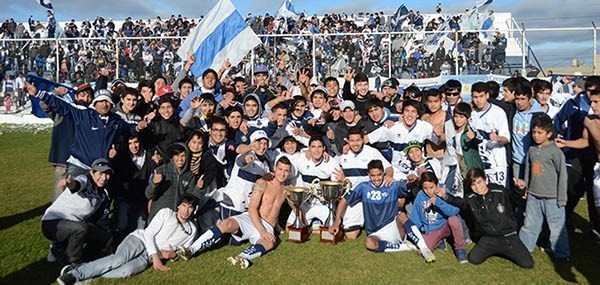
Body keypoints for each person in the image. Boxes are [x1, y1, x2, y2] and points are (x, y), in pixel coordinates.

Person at [56, 195, 199, 285]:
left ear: (193, 210)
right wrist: (156, 258)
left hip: (148, 257)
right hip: (140, 240)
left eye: (190, 208)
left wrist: (173, 256)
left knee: (127, 271)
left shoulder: (192, 229)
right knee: (118, 260)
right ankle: (75, 275)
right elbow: (149, 234)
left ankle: (87, 273)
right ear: (179, 206)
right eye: (184, 206)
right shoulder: (167, 213)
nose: (186, 211)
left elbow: (184, 250)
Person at [179, 157, 293, 269]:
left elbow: (293, 207)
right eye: (280, 169)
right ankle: (191, 249)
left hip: (268, 225)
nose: (282, 174)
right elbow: (252, 208)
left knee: (270, 244)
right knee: (226, 223)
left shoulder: (287, 189)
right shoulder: (263, 182)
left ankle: (242, 257)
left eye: (286, 170)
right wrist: (262, 231)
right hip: (251, 218)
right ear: (275, 168)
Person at [331, 160, 436, 261]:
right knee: (369, 243)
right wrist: (336, 222)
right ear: (368, 175)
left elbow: (408, 184)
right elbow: (344, 201)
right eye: (373, 175)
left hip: (394, 227)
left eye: (379, 175)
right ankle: (404, 247)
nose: (376, 178)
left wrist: (413, 179)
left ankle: (424, 248)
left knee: (402, 215)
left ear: (383, 174)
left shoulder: (392, 185)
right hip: (375, 233)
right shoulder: (363, 187)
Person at [439, 168, 534, 268]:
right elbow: (459, 202)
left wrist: (520, 189)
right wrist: (445, 196)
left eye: (479, 182)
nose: (477, 187)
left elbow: (515, 198)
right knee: (474, 259)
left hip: (508, 236)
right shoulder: (471, 198)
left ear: (485, 180)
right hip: (489, 238)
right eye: (473, 184)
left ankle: (505, 250)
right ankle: (496, 249)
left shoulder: (500, 191)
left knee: (528, 264)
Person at [515, 113, 570, 262]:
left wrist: (561, 198)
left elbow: (563, 176)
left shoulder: (555, 152)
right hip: (533, 194)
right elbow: (528, 170)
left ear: (549, 133)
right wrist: (525, 189)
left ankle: (562, 254)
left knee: (556, 227)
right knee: (530, 224)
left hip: (553, 197)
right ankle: (524, 249)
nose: (536, 136)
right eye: (534, 132)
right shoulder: (532, 150)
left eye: (540, 133)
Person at [41, 158, 114, 266]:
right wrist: (70, 183)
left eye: (107, 174)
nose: (104, 178)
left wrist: (107, 238)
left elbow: (99, 220)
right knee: (81, 229)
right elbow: (77, 184)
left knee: (104, 237)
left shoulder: (103, 194)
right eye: (100, 173)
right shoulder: (85, 179)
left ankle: (66, 251)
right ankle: (73, 263)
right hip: (53, 224)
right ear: (92, 172)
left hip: (73, 225)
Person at [553, 76, 600, 237]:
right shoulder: (585, 115)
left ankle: (595, 225)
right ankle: (568, 218)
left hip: (595, 159)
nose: (592, 104)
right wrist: (564, 143)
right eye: (588, 91)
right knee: (575, 190)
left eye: (596, 99)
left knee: (594, 197)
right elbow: (585, 141)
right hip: (580, 159)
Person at [339, 127, 394, 239]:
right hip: (353, 198)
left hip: (371, 196)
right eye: (352, 141)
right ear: (347, 141)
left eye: (358, 140)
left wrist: (388, 176)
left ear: (363, 139)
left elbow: (388, 168)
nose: (355, 144)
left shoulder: (372, 152)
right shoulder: (343, 155)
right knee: (351, 235)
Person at [411, 171, 468, 263]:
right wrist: (415, 232)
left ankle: (460, 249)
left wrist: (439, 202)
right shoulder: (420, 196)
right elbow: (416, 216)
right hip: (432, 229)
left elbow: (454, 211)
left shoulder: (443, 191)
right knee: (422, 251)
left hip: (445, 225)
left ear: (436, 184)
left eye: (431, 187)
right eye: (425, 188)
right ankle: (440, 241)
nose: (429, 191)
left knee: (453, 219)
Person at [145, 143, 207, 222]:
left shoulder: (190, 175)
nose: (180, 159)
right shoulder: (161, 170)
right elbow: (148, 194)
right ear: (172, 157)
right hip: (158, 218)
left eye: (183, 156)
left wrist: (198, 188)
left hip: (176, 220)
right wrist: (154, 183)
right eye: (177, 155)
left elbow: (191, 199)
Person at [469, 82, 510, 187]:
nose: (478, 100)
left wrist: (497, 138)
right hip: (479, 162)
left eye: (481, 96)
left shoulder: (498, 112)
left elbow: (506, 139)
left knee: (498, 193)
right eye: (475, 97)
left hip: (496, 162)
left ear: (487, 95)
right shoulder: (471, 114)